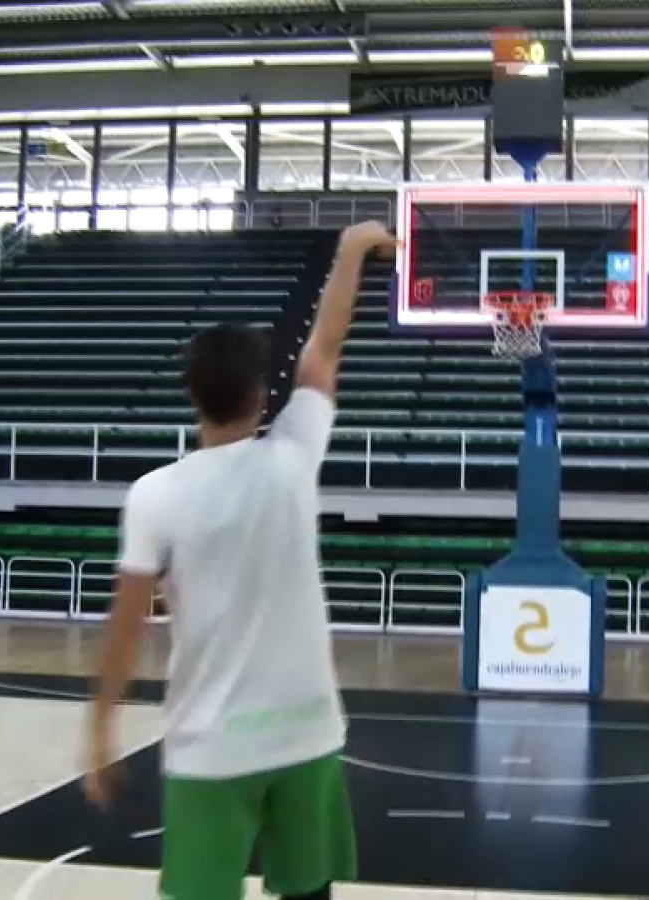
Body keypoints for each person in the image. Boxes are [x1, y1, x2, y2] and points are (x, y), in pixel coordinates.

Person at [81, 220, 398, 900]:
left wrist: (101, 729)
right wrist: (351, 249)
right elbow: (325, 346)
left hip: (211, 746)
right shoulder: (294, 455)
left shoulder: (154, 495)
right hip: (306, 733)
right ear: (261, 397)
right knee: (308, 893)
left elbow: (126, 631)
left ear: (191, 394)